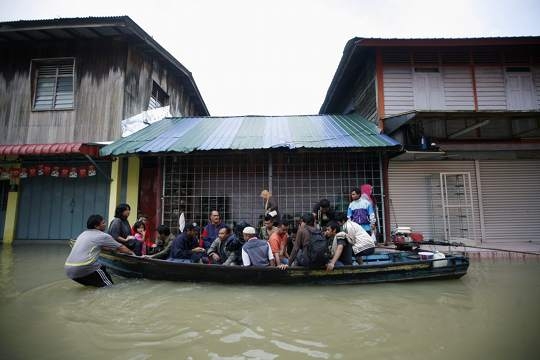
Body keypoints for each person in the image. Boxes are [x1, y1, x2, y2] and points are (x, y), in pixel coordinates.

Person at [65, 214, 134, 287]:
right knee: (109, 286)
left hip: (69, 270)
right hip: (85, 266)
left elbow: (97, 246)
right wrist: (133, 254)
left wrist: (111, 249)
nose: (105, 224)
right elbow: (121, 247)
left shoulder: (83, 234)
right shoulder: (103, 236)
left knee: (93, 287)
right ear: (96, 226)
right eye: (103, 223)